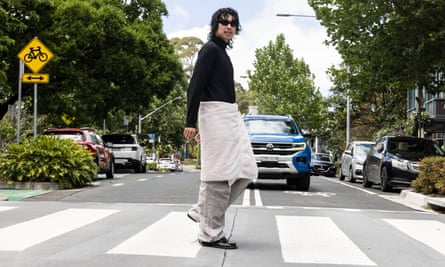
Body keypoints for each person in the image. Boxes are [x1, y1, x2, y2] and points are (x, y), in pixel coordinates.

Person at [183, 7, 257, 250]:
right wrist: (190, 121)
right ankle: (210, 234)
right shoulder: (210, 50)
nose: (229, 26)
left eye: (233, 23)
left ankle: (201, 211)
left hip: (229, 116)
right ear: (215, 26)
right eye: (224, 22)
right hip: (214, 114)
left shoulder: (222, 52)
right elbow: (194, 86)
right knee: (217, 175)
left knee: (247, 170)